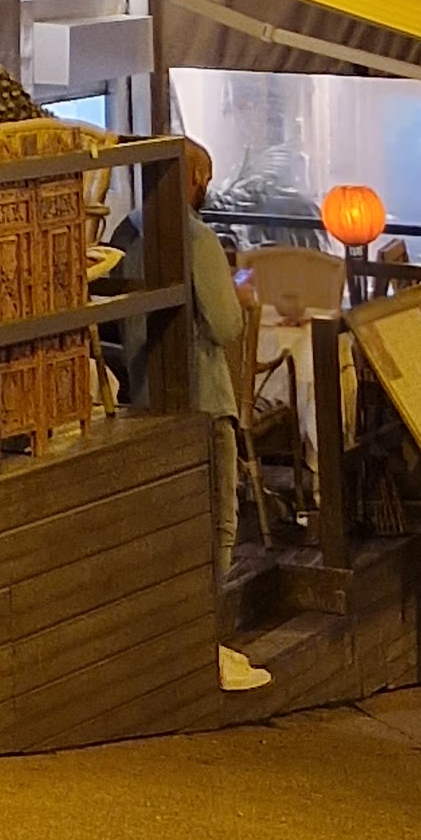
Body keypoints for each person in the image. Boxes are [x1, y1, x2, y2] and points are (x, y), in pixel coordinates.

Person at [184, 138, 247, 563]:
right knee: (221, 521)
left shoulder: (128, 229)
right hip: (205, 395)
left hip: (143, 397)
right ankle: (218, 599)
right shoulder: (199, 238)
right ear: (195, 178)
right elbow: (225, 325)